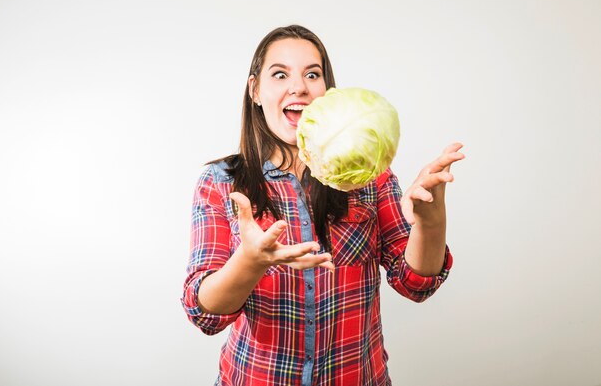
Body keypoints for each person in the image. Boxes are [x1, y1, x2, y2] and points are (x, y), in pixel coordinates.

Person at [181, 24, 465, 386]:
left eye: (312, 74)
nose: (298, 86)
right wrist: (249, 262)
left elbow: (415, 284)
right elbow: (204, 312)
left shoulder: (370, 177)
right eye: (280, 74)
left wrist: (430, 221)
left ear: (327, 93)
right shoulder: (220, 181)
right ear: (255, 90)